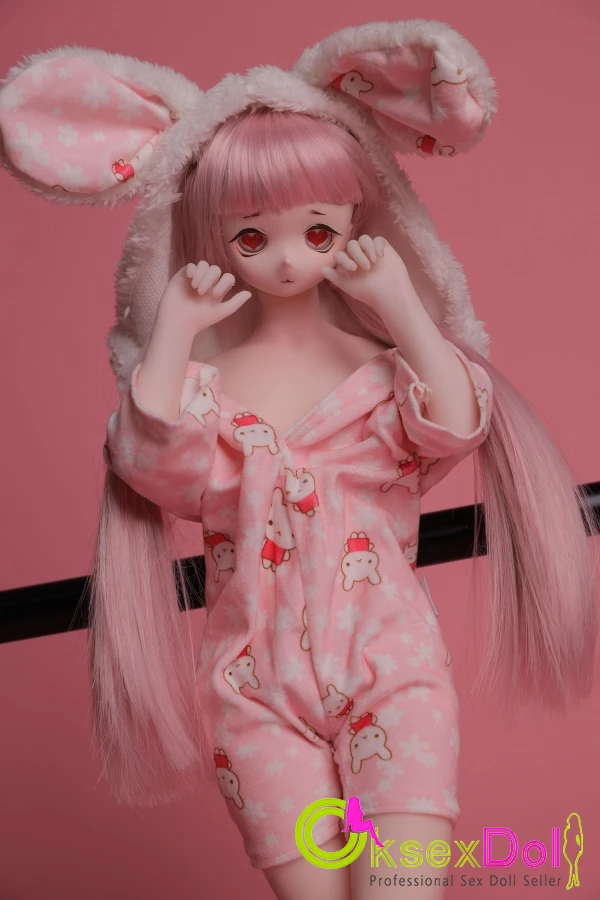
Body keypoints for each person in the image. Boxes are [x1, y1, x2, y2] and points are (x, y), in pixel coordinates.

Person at [1, 20, 596, 900]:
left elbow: (458, 424)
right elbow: (150, 464)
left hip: (391, 671)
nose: (286, 259)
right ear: (212, 232)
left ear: (357, 216)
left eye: (317, 232)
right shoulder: (200, 392)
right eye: (252, 238)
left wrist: (401, 306)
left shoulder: (383, 373)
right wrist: (172, 330)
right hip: (250, 694)